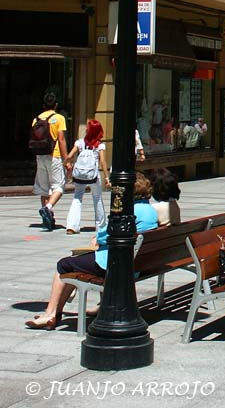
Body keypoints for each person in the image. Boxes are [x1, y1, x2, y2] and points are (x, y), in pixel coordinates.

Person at [25, 173, 158, 330]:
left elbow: (104, 236)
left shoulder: (130, 211)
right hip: (138, 263)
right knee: (74, 265)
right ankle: (59, 311)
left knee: (64, 264)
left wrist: (98, 236)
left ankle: (51, 313)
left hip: (114, 264)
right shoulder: (149, 210)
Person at [65, 119, 110, 235]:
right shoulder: (100, 145)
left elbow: (69, 155)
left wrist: (66, 164)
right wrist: (107, 177)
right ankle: (100, 226)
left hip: (80, 175)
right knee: (97, 198)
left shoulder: (79, 143)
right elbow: (103, 162)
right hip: (93, 175)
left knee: (77, 197)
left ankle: (72, 226)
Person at [33, 91, 70, 232]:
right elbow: (61, 139)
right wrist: (66, 159)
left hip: (40, 155)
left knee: (44, 188)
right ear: (56, 105)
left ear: (43, 105)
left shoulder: (36, 119)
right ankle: (47, 208)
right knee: (58, 186)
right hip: (54, 155)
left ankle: (47, 218)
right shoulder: (59, 118)